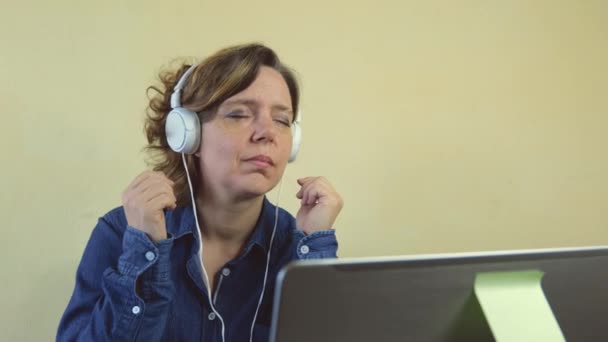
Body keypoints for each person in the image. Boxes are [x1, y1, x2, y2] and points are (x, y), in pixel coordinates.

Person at [57, 43, 343, 342]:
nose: (267, 133)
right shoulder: (123, 231)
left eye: (282, 120)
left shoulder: (298, 243)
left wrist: (313, 256)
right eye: (239, 114)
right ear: (187, 133)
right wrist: (146, 253)